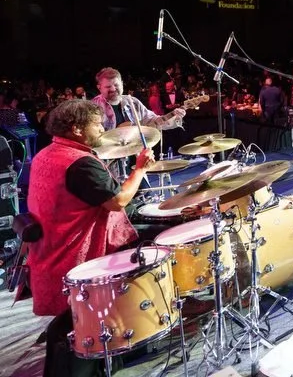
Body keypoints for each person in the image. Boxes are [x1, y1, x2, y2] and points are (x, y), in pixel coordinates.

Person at [26, 100, 155, 377]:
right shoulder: (81, 164)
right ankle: (138, 326)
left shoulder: (46, 153)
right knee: (151, 243)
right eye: (96, 124)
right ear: (76, 129)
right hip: (74, 257)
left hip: (47, 251)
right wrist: (140, 169)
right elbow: (118, 201)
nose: (102, 127)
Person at [91, 67, 185, 130]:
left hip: (136, 156)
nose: (113, 89)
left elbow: (154, 122)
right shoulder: (92, 108)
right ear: (99, 87)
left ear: (122, 83)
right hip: (106, 159)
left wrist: (173, 116)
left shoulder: (133, 102)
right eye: (108, 87)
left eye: (116, 85)